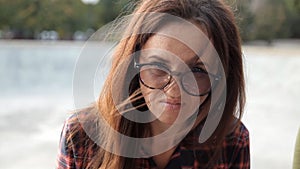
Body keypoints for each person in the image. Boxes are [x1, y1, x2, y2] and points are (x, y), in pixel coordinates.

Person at [56, 0, 250, 168]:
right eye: (158, 66)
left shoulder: (231, 140)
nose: (174, 90)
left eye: (198, 71)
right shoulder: (81, 138)